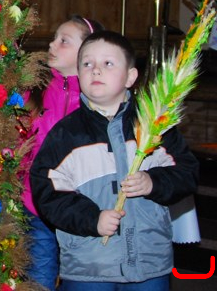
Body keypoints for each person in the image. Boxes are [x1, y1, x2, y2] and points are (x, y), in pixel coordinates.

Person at [30, 31, 199, 290]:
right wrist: (92, 219)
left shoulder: (155, 127)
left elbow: (187, 173)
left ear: (130, 76)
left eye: (108, 63)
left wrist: (153, 182)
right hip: (88, 266)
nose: (96, 70)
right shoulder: (66, 135)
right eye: (87, 64)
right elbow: (48, 192)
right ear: (79, 74)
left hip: (149, 263)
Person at [22, 15, 103, 289]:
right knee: (40, 275)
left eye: (64, 41)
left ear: (86, 51)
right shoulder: (34, 90)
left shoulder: (96, 98)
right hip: (37, 203)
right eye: (54, 38)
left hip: (81, 205)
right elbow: (18, 139)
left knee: (80, 278)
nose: (52, 44)